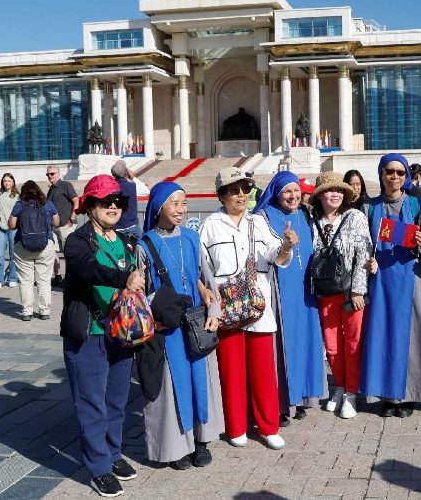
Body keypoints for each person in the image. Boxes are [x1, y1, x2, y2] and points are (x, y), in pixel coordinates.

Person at [61, 174, 144, 497]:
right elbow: (88, 270)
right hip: (89, 333)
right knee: (91, 403)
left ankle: (112, 454)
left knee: (116, 401)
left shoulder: (124, 241)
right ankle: (98, 468)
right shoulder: (77, 241)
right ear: (90, 205)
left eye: (118, 202)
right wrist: (124, 279)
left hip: (121, 331)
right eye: (105, 201)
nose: (113, 206)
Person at [199, 167, 294, 449]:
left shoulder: (259, 223)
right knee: (231, 370)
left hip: (257, 304)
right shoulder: (210, 225)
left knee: (264, 370)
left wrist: (287, 246)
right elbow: (203, 269)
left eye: (245, 189)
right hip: (226, 306)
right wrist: (207, 296)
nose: (241, 195)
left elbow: (276, 255)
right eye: (234, 190)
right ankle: (237, 426)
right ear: (221, 195)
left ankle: (268, 427)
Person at [137, 181, 220, 470]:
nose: (181, 210)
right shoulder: (144, 245)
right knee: (172, 385)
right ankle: (176, 447)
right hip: (166, 327)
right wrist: (151, 320)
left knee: (200, 381)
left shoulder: (192, 238)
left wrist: (214, 309)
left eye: (183, 204)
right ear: (159, 207)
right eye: (174, 204)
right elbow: (140, 291)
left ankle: (201, 441)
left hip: (196, 322)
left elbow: (206, 280)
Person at [362, 153, 421, 418]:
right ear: (381, 173)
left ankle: (408, 395)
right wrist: (366, 261)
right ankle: (386, 395)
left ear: (407, 177)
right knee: (383, 335)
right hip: (381, 280)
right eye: (389, 171)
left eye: (400, 173)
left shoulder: (418, 205)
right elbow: (363, 245)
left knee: (411, 337)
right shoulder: (369, 207)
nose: (394, 177)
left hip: (411, 278)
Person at [253, 171, 327, 424]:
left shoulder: (305, 215)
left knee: (305, 342)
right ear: (276, 193)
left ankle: (302, 397)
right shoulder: (262, 217)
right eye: (287, 191)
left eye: (296, 191)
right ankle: (281, 401)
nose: (293, 196)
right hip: (279, 291)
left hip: (305, 290)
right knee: (283, 346)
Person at [309, 171, 373, 420]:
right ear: (319, 196)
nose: (334, 194)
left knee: (353, 343)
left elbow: (363, 255)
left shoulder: (354, 217)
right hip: (325, 293)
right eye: (328, 190)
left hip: (349, 293)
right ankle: (340, 386)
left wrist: (358, 289)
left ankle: (351, 393)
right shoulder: (312, 220)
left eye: (338, 190)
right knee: (333, 347)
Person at [8, 180, 59, 321]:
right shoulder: (47, 203)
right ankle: (44, 311)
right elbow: (56, 222)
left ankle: (27, 312)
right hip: (45, 245)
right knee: (44, 280)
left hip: (22, 246)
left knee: (25, 281)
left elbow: (11, 225)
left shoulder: (19, 205)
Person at [47, 165, 79, 286]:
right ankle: (58, 276)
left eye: (52, 174)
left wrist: (72, 218)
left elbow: (76, 200)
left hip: (66, 225)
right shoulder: (50, 190)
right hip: (53, 227)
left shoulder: (66, 185)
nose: (50, 176)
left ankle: (71, 278)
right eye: (48, 174)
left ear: (58, 174)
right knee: (52, 252)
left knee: (69, 252)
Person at [0, 173, 20, 289]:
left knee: (14, 254)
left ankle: (12, 278)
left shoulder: (17, 196)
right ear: (2, 182)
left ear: (13, 182)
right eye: (5, 181)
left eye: (9, 181)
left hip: (14, 228)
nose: (7, 183)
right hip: (0, 228)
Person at [112, 160, 142, 240]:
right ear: (126, 172)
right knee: (140, 249)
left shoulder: (111, 188)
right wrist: (133, 177)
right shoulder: (132, 186)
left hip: (117, 226)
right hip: (132, 225)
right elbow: (146, 191)